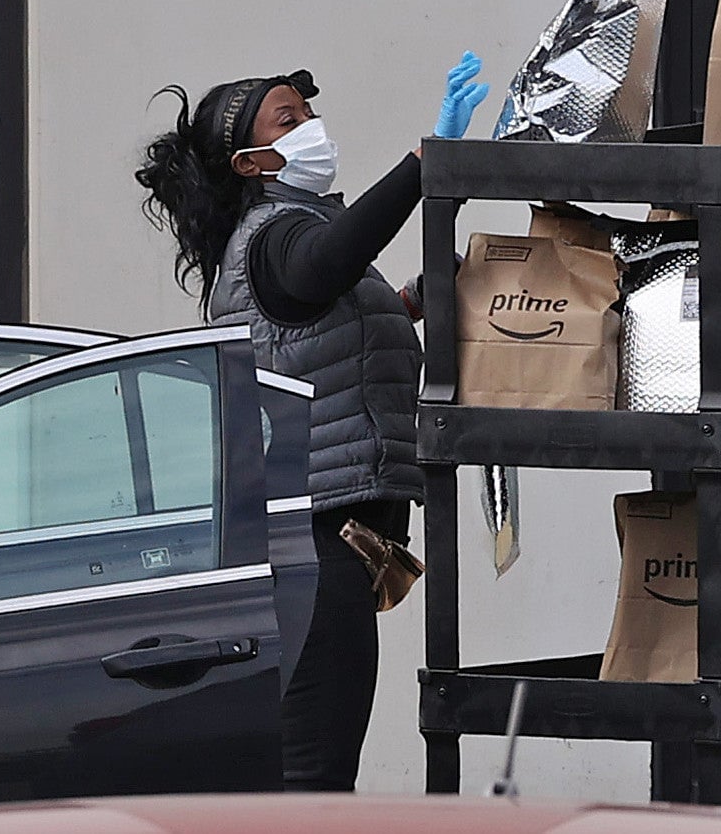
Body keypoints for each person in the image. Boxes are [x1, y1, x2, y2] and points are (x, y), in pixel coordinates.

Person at [134, 54, 490, 791]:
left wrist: (413, 299)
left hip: (331, 546)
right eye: (288, 120)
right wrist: (421, 165)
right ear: (251, 163)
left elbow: (322, 333)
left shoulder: (289, 232)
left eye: (309, 113)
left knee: (315, 772)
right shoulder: (275, 235)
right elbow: (322, 267)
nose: (312, 128)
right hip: (311, 552)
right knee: (313, 780)